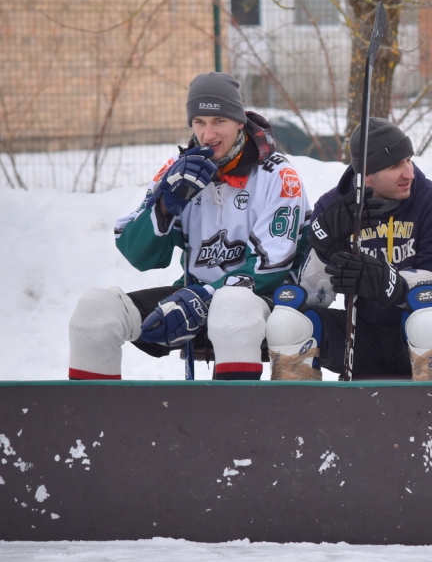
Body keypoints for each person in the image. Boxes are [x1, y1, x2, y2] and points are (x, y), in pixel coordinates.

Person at [68, 72, 310, 380]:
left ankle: (236, 425)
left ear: (239, 121)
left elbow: (272, 265)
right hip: (190, 298)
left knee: (231, 308)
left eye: (219, 121)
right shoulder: (178, 169)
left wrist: (206, 295)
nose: (208, 134)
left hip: (262, 301)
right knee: (96, 313)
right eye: (199, 122)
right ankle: (90, 427)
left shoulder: (277, 174)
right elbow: (138, 254)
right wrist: (165, 207)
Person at [264, 118, 432, 381]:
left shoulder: (431, 201)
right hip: (360, 333)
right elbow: (312, 297)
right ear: (366, 175)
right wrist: (324, 252)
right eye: (395, 165)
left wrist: (394, 284)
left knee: (428, 322)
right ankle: (299, 417)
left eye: (408, 160)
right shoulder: (334, 207)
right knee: (287, 324)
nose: (409, 173)